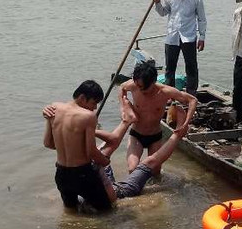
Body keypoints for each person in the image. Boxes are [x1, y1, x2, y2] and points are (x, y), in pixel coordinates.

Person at [42, 80, 186, 212]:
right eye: (93, 103)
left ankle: (127, 121)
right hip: (85, 174)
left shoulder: (54, 109)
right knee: (108, 211)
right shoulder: (87, 116)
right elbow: (91, 152)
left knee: (71, 212)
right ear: (82, 98)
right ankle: (177, 134)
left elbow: (48, 143)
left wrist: (73, 145)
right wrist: (105, 161)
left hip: (62, 174)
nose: (95, 108)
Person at [118, 60, 197, 175]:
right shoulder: (134, 86)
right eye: (138, 86)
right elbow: (121, 88)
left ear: (154, 81)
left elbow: (192, 100)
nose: (141, 90)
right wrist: (124, 107)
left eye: (144, 88)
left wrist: (186, 123)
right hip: (136, 134)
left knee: (156, 173)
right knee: (132, 169)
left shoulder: (165, 91)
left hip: (155, 136)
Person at [152, 0, 207, 95]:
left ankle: (191, 93)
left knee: (191, 67)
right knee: (170, 68)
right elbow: (163, 12)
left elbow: (202, 19)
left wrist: (202, 37)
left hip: (189, 37)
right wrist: (157, 3)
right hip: (172, 37)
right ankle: (169, 95)